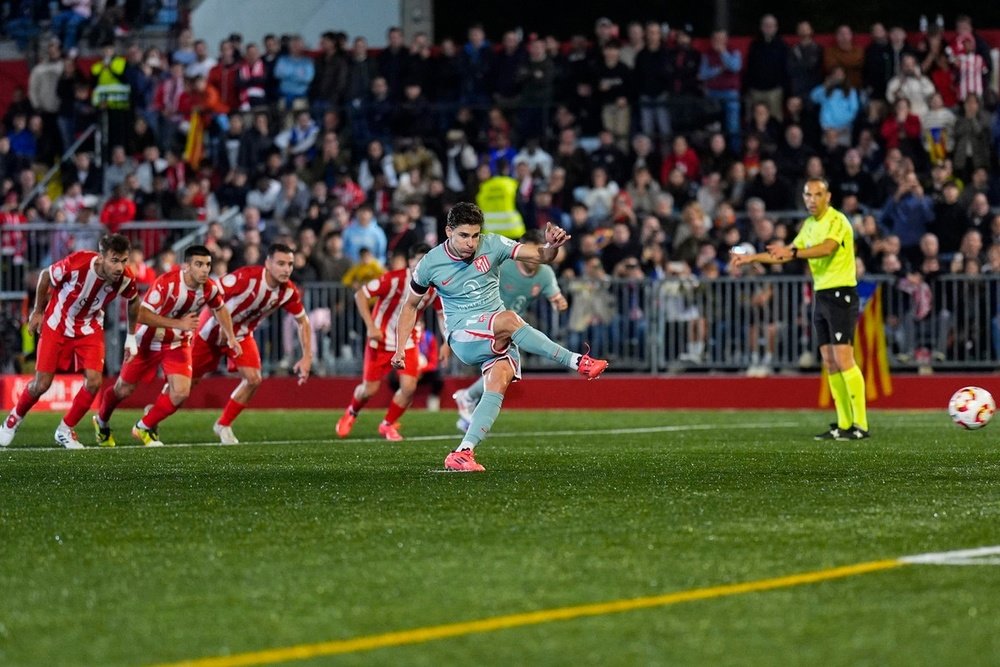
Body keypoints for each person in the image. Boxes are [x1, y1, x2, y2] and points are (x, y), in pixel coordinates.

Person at [391, 202, 609, 472]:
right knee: (509, 319)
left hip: (495, 331)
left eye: (475, 235)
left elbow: (539, 256)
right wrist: (400, 348)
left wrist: (552, 247)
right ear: (448, 231)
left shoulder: (493, 243)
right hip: (463, 334)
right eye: (463, 235)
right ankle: (578, 362)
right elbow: (410, 305)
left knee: (500, 380)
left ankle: (463, 452)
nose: (471, 242)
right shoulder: (430, 263)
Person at [730, 177, 869, 440]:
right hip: (822, 296)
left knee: (844, 359)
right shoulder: (808, 226)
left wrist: (792, 253)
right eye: (807, 195)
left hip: (841, 295)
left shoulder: (837, 221)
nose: (812, 200)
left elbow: (826, 249)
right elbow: (784, 253)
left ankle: (860, 424)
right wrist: (752, 258)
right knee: (829, 362)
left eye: (817, 195)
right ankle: (843, 424)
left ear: (827, 197)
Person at [94, 246, 241, 447]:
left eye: (207, 265)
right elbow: (141, 314)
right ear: (186, 266)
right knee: (124, 389)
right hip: (147, 341)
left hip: (177, 343)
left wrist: (231, 337)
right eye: (199, 264)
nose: (205, 270)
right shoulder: (167, 283)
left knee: (181, 392)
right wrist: (179, 324)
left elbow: (220, 308)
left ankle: (144, 426)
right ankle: (101, 421)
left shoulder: (209, 288)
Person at [0, 234, 138, 449]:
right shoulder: (79, 262)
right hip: (57, 324)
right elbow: (46, 276)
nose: (120, 267)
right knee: (42, 384)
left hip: (89, 328)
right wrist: (37, 312)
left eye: (123, 260)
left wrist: (131, 337)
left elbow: (133, 301)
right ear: (102, 257)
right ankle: (13, 419)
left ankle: (65, 430)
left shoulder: (126, 278)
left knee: (94, 382)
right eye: (114, 260)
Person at [189, 243, 312, 444]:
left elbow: (303, 321)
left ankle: (223, 424)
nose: (287, 269)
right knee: (184, 386)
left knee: (254, 379)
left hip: (242, 334)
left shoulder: (288, 291)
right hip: (211, 329)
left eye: (289, 264)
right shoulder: (247, 277)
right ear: (268, 264)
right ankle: (152, 419)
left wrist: (307, 356)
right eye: (281, 263)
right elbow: (211, 292)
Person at [452, 228, 569, 432]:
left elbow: (554, 295)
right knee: (503, 369)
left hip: (510, 327)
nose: (533, 258)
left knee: (506, 371)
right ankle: (468, 398)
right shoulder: (505, 265)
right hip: (485, 320)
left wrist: (559, 302)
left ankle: (468, 406)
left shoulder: (545, 273)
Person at [335, 244, 444, 441]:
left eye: (427, 261)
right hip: (380, 340)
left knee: (409, 387)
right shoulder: (394, 279)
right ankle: (351, 412)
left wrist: (446, 341)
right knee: (369, 390)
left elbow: (441, 314)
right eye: (418, 260)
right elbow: (360, 294)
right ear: (410, 262)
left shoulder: (434, 288)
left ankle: (387, 424)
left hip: (407, 342)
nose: (422, 265)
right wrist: (370, 326)